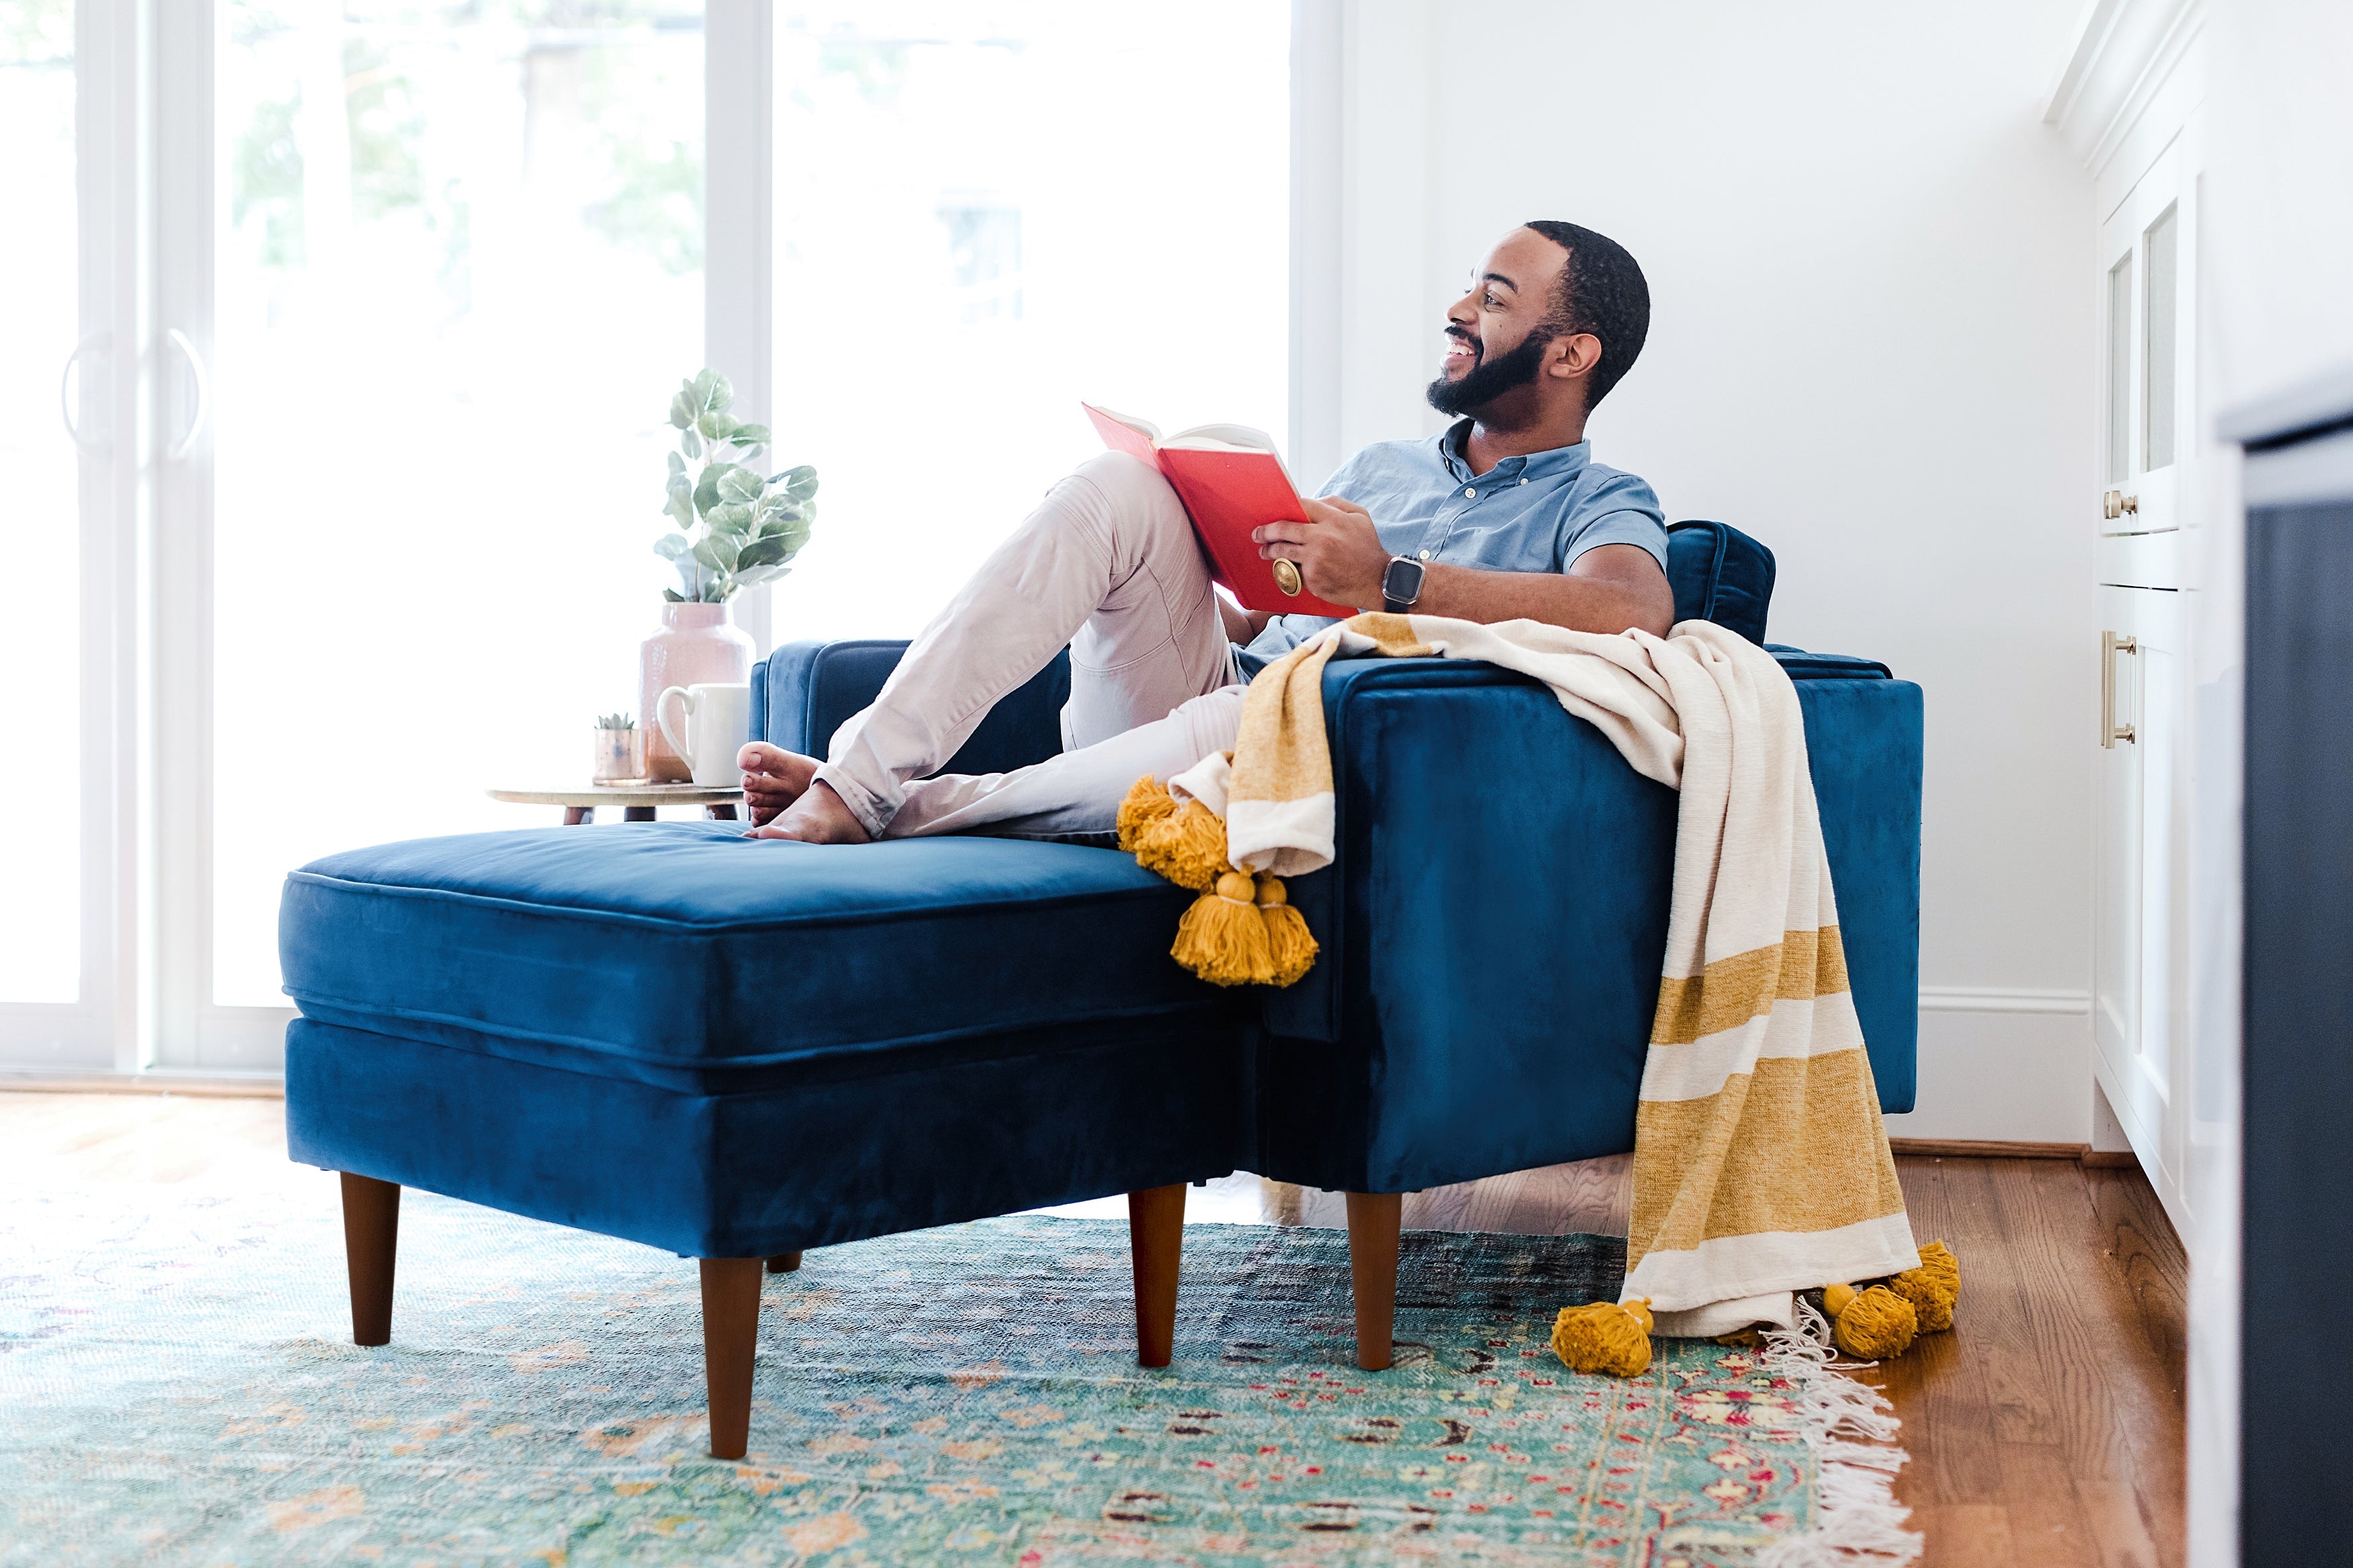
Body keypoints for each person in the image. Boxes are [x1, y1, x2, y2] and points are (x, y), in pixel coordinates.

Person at [737, 220, 1675, 845]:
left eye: (1496, 298)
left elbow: (1634, 609)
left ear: (1570, 353)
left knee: (1259, 710)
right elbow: (1257, 627)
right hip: (1220, 692)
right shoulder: (1380, 469)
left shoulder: (1599, 499)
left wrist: (1392, 581)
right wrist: (1196, 562)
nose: (1459, 310)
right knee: (1114, 487)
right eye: (1470, 289)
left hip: (1317, 749)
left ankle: (869, 801)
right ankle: (867, 778)